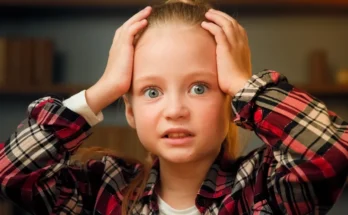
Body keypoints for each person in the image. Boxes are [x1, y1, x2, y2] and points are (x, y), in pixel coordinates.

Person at [0, 0, 347, 214]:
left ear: (231, 103)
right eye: (152, 91)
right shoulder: (102, 188)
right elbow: (13, 173)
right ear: (130, 111)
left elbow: (332, 154)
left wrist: (244, 84)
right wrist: (104, 88)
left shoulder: (265, 188)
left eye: (199, 88)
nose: (176, 110)